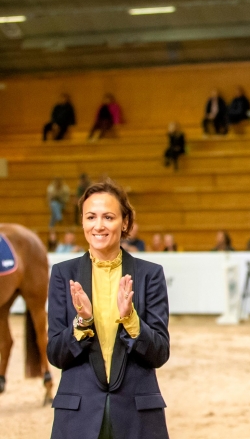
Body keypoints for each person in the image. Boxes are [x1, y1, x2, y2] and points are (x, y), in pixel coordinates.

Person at [47, 180, 170, 439]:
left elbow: (159, 353)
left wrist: (130, 319)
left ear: (125, 222)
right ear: (82, 222)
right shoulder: (62, 274)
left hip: (137, 419)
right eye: (91, 217)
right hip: (77, 418)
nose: (99, 225)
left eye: (108, 217)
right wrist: (82, 322)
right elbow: (56, 355)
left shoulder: (151, 275)